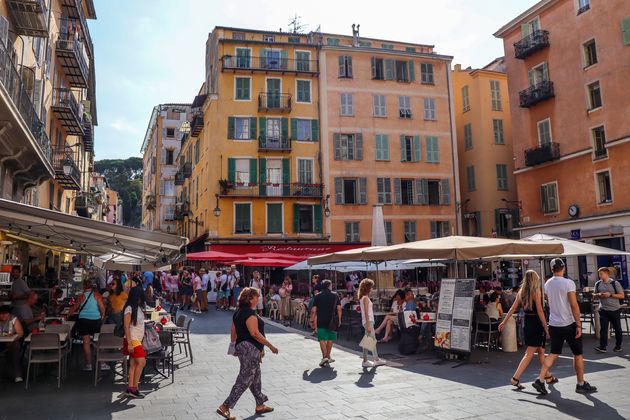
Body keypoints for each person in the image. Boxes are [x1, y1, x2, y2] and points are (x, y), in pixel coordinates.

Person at [532, 259, 597, 395]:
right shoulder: (568, 283)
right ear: (564, 268)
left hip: (554, 324)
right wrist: (579, 324)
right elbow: (574, 305)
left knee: (554, 353)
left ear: (551, 269)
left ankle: (540, 379)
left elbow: (549, 302)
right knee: (577, 354)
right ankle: (580, 383)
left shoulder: (547, 284)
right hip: (569, 323)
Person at [216, 288, 277, 419]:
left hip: (244, 347)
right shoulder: (249, 313)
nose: (258, 299)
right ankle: (225, 406)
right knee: (245, 379)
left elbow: (233, 330)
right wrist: (270, 346)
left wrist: (234, 345)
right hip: (250, 348)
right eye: (257, 297)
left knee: (256, 377)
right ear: (250, 299)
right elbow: (255, 333)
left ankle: (260, 404)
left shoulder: (238, 312)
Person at [499, 270, 557, 390]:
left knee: (541, 351)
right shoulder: (536, 291)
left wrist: (504, 321)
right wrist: (546, 327)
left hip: (528, 323)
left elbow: (513, 308)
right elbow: (540, 311)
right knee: (529, 354)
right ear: (534, 279)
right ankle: (515, 379)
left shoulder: (521, 292)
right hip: (536, 324)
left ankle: (548, 376)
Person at [68, 278, 106, 372]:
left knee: (86, 342)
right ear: (92, 286)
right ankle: (102, 363)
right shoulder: (97, 295)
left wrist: (69, 314)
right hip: (95, 320)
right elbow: (102, 308)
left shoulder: (81, 297)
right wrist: (102, 316)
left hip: (83, 320)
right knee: (98, 341)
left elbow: (74, 309)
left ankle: (89, 364)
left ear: (84, 287)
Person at [311, 279, 342, 367]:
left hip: (321, 319)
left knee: (321, 338)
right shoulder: (335, 295)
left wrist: (312, 320)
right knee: (330, 338)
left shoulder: (317, 296)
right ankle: (327, 356)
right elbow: (339, 308)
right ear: (329, 286)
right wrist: (339, 319)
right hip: (332, 320)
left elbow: (314, 311)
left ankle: (325, 356)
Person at [594, 266, 624, 353]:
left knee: (617, 328)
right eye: (599, 274)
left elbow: (622, 295)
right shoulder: (598, 284)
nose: (600, 276)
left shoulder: (615, 283)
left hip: (615, 309)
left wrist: (610, 295)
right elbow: (594, 295)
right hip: (603, 309)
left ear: (607, 274)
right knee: (603, 328)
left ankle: (618, 346)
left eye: (601, 274)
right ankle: (603, 347)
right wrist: (598, 294)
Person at [123, 286, 146, 399]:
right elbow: (126, 326)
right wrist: (129, 343)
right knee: (142, 362)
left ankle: (130, 388)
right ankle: (135, 389)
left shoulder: (137, 307)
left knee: (133, 364)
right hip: (133, 339)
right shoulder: (129, 308)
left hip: (137, 338)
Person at [358, 279, 386, 368]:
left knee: (368, 341)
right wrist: (368, 325)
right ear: (368, 288)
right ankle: (376, 359)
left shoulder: (363, 297)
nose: (372, 289)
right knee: (372, 340)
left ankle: (365, 360)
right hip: (368, 321)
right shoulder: (365, 298)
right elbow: (366, 312)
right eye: (371, 287)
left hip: (367, 321)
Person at [0, 304, 25, 382]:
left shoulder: (13, 319)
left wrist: (12, 340)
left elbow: (20, 333)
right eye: (1, 314)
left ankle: (17, 374)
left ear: (9, 313)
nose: (4, 315)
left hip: (13, 341)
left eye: (6, 313)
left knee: (15, 347)